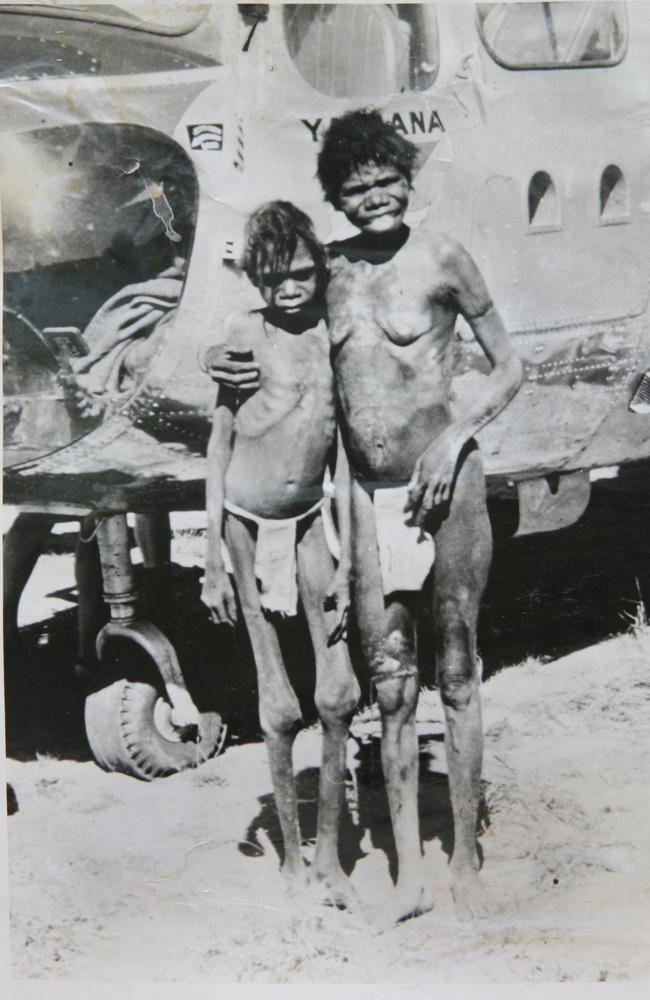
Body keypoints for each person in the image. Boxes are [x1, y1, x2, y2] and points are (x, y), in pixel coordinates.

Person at [206, 110, 523, 923]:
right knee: (390, 684)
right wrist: (221, 357)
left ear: (408, 180)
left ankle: (467, 865)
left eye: (387, 182)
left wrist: (456, 437)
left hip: (446, 488)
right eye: (357, 190)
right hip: (367, 499)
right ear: (338, 200)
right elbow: (269, 327)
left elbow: (509, 365)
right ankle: (409, 871)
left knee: (456, 672)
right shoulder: (333, 273)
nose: (375, 198)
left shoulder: (443, 257)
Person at [201, 201, 359, 905]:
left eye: (300, 274)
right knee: (276, 694)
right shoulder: (242, 333)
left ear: (318, 268)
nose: (289, 290)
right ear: (255, 281)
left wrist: (349, 545)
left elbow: (344, 450)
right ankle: (292, 864)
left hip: (308, 518)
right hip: (243, 520)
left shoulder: (333, 334)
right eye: (273, 280)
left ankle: (332, 855)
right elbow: (220, 443)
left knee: (338, 688)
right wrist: (211, 553)